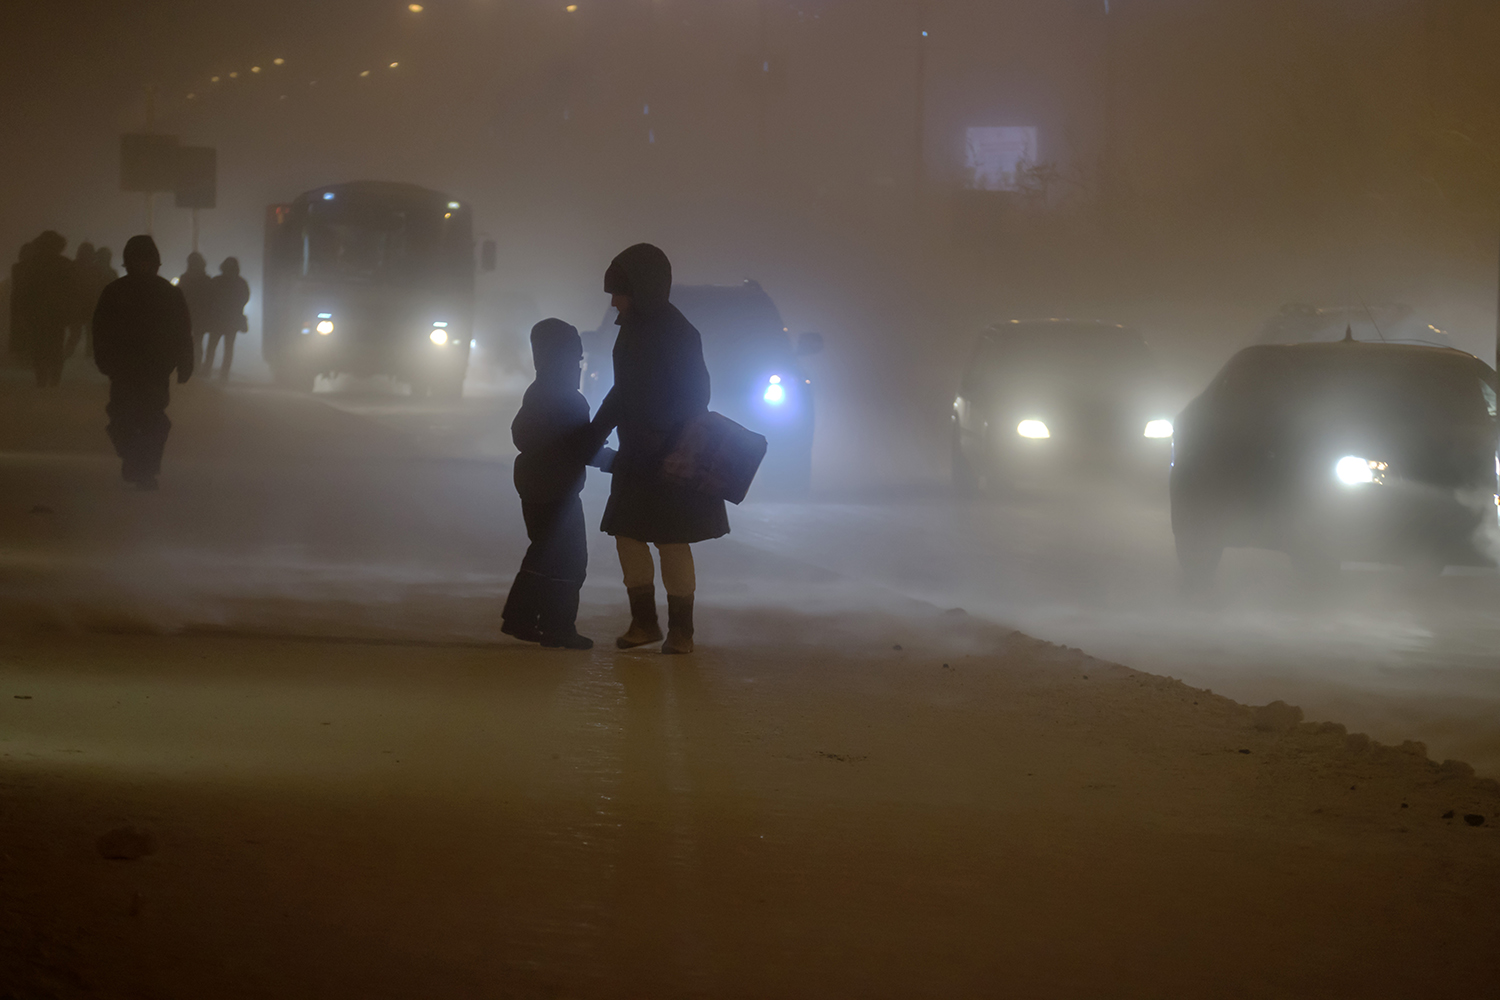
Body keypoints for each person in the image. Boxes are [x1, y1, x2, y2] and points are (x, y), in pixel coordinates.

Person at [590, 243, 728, 654]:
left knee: (668, 540)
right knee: (631, 535)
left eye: (620, 292)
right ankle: (648, 624)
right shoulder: (637, 329)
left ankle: (678, 632)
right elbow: (623, 392)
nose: (615, 302)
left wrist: (659, 436)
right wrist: (597, 433)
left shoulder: (677, 334)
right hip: (641, 454)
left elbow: (694, 396)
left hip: (668, 458)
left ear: (642, 289)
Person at [501, 319, 614, 650]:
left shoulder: (537, 392)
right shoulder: (569, 400)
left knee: (543, 553)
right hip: (557, 490)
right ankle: (557, 625)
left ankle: (521, 618)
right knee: (570, 560)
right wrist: (618, 462)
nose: (579, 365)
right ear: (564, 358)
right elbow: (584, 448)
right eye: (576, 358)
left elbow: (521, 434)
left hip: (534, 486)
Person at [91, 235, 193, 490]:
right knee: (151, 418)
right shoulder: (169, 293)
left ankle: (135, 460)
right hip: (154, 368)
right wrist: (184, 363)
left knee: (124, 416)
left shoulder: (114, 291)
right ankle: (144, 466)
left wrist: (104, 360)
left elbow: (100, 330)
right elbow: (183, 332)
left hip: (126, 368)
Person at [27, 231, 73, 387]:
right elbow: (72, 291)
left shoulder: (32, 263)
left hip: (37, 312)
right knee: (56, 347)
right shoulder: (65, 264)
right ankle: (54, 380)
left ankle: (41, 379)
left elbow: (26, 291)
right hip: (57, 313)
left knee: (39, 347)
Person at [204, 256, 249, 380]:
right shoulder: (241, 282)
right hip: (232, 320)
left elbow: (208, 297)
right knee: (228, 348)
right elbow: (244, 298)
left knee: (211, 346)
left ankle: (206, 370)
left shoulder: (216, 281)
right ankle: (224, 375)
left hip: (217, 319)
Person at [176, 252, 214, 369]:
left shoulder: (185, 278)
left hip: (187, 313)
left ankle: (186, 363)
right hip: (201, 315)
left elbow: (179, 294)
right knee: (198, 341)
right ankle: (196, 364)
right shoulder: (206, 279)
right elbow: (211, 297)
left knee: (186, 340)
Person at [62, 241, 96, 361]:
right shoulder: (94, 270)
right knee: (87, 335)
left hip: (75, 306)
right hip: (87, 307)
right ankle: (87, 360)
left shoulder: (72, 267)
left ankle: (63, 358)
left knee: (75, 335)